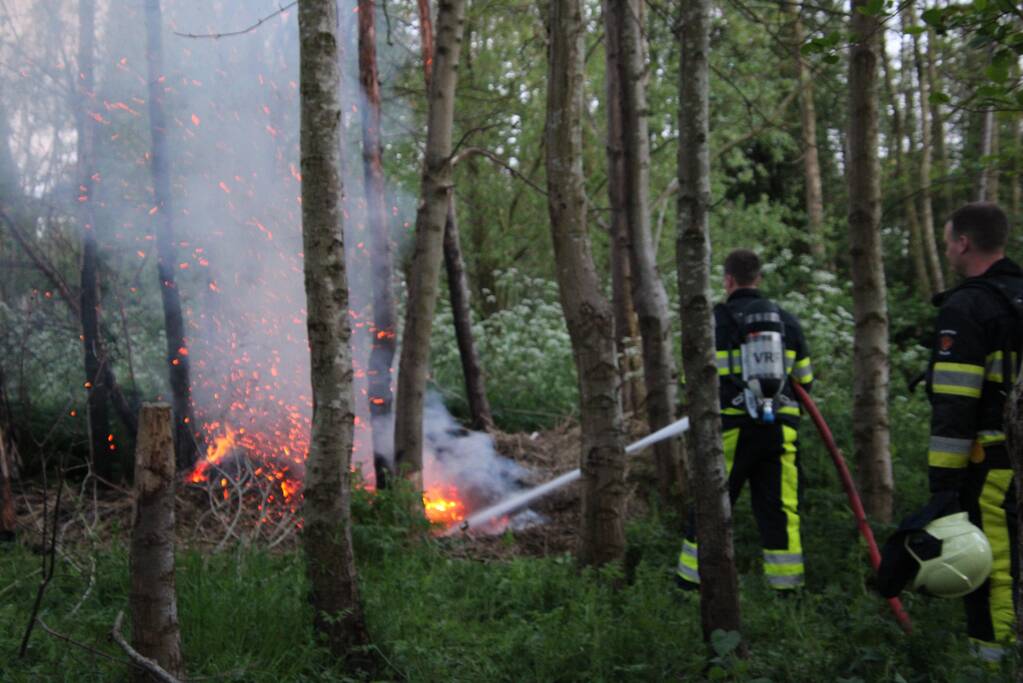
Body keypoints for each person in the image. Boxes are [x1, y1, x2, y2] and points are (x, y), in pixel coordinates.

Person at [677, 249, 813, 592]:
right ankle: (787, 593)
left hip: (729, 431)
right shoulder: (787, 322)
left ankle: (690, 587)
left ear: (727, 280)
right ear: (758, 278)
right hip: (779, 431)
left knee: (711, 507)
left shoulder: (712, 322)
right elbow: (805, 382)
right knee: (781, 511)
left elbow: (687, 381)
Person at [922, 201, 1023, 663]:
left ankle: (995, 661)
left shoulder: (967, 307)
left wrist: (943, 486)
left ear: (964, 243)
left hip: (994, 463)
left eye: (947, 241)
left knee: (995, 566)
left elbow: (956, 403)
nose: (946, 248)